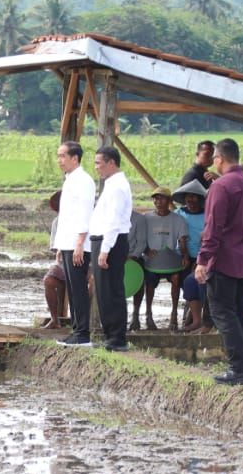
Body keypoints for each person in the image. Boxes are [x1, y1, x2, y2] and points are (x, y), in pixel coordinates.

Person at [195, 138, 243, 385]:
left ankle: (239, 368)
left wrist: (203, 259)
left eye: (215, 159)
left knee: (222, 312)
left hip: (224, 258)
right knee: (238, 313)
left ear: (220, 159)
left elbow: (214, 227)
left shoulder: (221, 186)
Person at [88, 145, 133, 353]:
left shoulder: (117, 186)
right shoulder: (111, 184)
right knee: (104, 290)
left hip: (111, 241)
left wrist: (105, 249)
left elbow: (114, 221)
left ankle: (116, 338)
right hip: (105, 240)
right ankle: (111, 336)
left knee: (111, 290)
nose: (96, 167)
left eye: (99, 163)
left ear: (111, 163)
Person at [53, 141, 95, 347]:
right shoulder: (70, 179)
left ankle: (83, 334)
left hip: (79, 244)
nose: (59, 160)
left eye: (63, 156)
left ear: (75, 158)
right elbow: (67, 217)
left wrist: (79, 242)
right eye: (58, 156)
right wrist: (61, 244)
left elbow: (85, 214)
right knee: (72, 287)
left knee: (78, 288)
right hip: (69, 242)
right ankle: (76, 330)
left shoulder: (84, 180)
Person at [137, 186, 189, 330]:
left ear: (169, 200)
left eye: (161, 198)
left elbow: (182, 241)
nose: (158, 201)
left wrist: (185, 256)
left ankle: (174, 314)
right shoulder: (146, 218)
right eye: (155, 198)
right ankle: (148, 314)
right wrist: (146, 250)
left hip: (170, 259)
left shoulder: (178, 219)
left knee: (176, 278)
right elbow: (140, 238)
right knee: (149, 281)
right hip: (152, 260)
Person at [174, 181, 210, 332]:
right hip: (182, 256)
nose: (191, 200)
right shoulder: (179, 214)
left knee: (199, 282)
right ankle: (193, 317)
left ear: (200, 199)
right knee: (185, 283)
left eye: (195, 197)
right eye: (188, 197)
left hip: (202, 257)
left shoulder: (207, 214)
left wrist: (201, 260)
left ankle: (199, 318)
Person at [41, 191, 66, 329]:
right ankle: (55, 320)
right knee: (48, 281)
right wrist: (61, 250)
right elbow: (55, 246)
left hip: (86, 261)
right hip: (63, 261)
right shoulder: (57, 221)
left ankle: (84, 320)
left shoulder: (86, 218)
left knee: (90, 282)